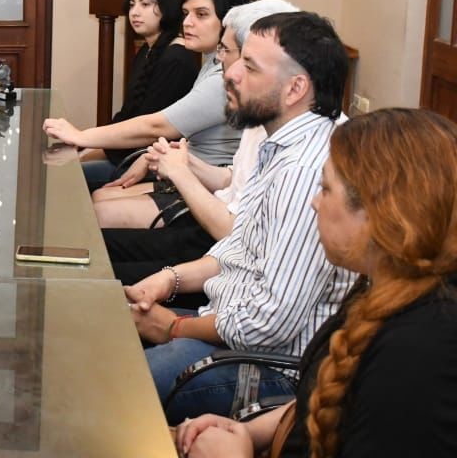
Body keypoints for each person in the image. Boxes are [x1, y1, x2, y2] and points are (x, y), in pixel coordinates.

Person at [175, 109, 457, 458]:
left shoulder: (421, 352)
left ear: (381, 214)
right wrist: (248, 431)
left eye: (325, 188)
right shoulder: (378, 285)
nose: (313, 202)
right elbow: (319, 398)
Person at [126, 11, 358, 423]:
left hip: (266, 366)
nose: (230, 74)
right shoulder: (280, 146)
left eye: (249, 67)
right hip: (225, 328)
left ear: (295, 88)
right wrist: (168, 279)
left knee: (111, 383)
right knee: (104, 324)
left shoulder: (304, 170)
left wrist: (173, 327)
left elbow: (267, 324)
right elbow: (239, 247)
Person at [98, 0, 299, 285]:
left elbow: (237, 238)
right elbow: (233, 180)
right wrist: (185, 161)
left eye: (246, 63)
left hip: (223, 254)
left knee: (101, 268)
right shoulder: (260, 118)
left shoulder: (301, 155)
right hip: (212, 235)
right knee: (94, 246)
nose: (228, 70)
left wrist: (181, 171)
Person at [44, 0, 250, 189]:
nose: (188, 22)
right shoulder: (210, 61)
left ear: (229, 20)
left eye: (201, 14)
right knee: (72, 175)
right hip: (172, 160)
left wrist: (81, 137)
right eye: (186, 13)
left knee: (82, 187)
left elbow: (156, 127)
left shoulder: (214, 72)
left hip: (204, 175)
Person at [79, 0, 201, 190]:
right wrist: (92, 146)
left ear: (168, 7)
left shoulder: (176, 59)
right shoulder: (147, 50)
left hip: (152, 160)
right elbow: (129, 114)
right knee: (70, 163)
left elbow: (152, 129)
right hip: (131, 150)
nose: (134, 12)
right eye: (132, 5)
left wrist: (92, 144)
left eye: (145, 4)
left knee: (71, 175)